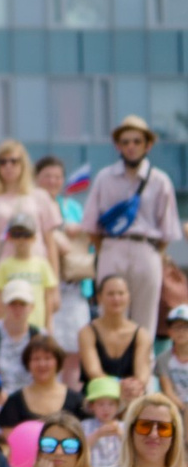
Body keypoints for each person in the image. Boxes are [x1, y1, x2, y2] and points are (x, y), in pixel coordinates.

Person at [87, 117, 180, 332]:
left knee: (145, 318)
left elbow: (167, 230)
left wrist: (151, 252)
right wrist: (108, 250)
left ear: (148, 145)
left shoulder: (160, 180)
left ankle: (143, 365)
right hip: (112, 248)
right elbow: (91, 226)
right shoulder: (104, 178)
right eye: (126, 141)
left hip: (146, 248)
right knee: (109, 315)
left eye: (137, 141)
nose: (131, 146)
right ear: (118, 145)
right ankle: (109, 365)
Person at [0, 140, 65, 303]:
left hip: (34, 272)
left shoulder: (40, 196)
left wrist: (54, 287)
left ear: (23, 164)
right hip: (0, 272)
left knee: (36, 321)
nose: (8, 166)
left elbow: (51, 244)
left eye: (14, 161)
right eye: (2, 162)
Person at [81, 272, 153, 404]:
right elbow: (93, 371)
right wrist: (118, 384)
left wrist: (134, 386)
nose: (116, 298)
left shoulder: (141, 334)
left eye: (121, 293)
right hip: (98, 398)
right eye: (110, 294)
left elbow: (142, 373)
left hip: (131, 396)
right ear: (99, 297)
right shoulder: (87, 332)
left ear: (128, 297)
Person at [0, 280, 51, 396]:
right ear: (4, 306)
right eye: (12, 303)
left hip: (34, 396)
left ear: (31, 307)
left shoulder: (41, 334)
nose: (17, 309)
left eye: (22, 304)